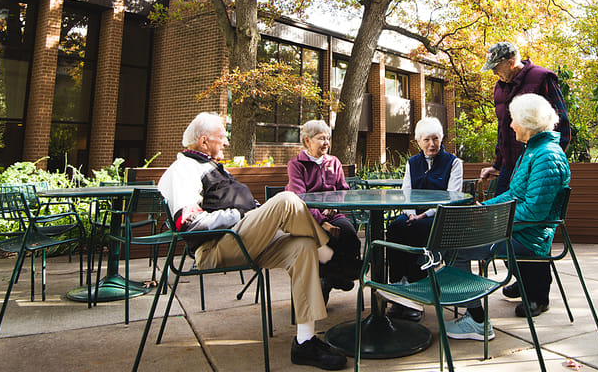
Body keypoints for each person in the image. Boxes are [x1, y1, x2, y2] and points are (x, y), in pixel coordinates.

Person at [158, 112, 347, 370]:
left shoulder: (210, 166)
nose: (226, 143)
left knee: (302, 246)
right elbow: (189, 224)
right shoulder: (183, 170)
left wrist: (257, 215)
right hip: (217, 246)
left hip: (244, 239)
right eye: (222, 137)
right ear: (203, 142)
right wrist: (241, 214)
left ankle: (305, 342)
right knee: (287, 199)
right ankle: (327, 255)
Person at [444, 94, 570, 341]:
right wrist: (484, 207)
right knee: (454, 237)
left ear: (528, 122)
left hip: (528, 237)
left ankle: (477, 321)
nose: (511, 125)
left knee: (456, 246)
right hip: (520, 231)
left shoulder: (546, 156)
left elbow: (534, 211)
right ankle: (471, 308)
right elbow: (514, 193)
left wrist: (492, 217)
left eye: (514, 120)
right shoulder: (534, 150)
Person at [478, 41, 571, 308]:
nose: (495, 73)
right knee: (501, 223)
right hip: (512, 164)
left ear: (511, 61)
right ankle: (521, 277)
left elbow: (560, 120)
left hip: (537, 160)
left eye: (496, 67)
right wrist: (498, 164)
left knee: (530, 227)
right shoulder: (500, 87)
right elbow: (502, 130)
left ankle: (538, 295)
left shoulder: (542, 78)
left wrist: (550, 155)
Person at [385, 117, 463, 322]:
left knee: (417, 233)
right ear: (418, 141)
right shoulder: (412, 163)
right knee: (395, 228)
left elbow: (452, 198)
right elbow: (406, 193)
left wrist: (424, 214)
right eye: (427, 139)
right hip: (414, 215)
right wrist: (410, 213)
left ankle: (415, 297)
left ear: (441, 139)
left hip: (439, 217)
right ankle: (397, 289)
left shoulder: (453, 163)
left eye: (436, 139)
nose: (432, 144)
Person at [286, 120, 363, 304]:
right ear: (307, 141)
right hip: (307, 218)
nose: (326, 142)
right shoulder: (296, 165)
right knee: (323, 240)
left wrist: (335, 207)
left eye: (327, 138)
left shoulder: (333, 162)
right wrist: (323, 222)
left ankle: (336, 277)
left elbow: (342, 191)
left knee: (350, 236)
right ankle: (333, 279)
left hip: (333, 214)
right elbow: (299, 199)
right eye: (321, 138)